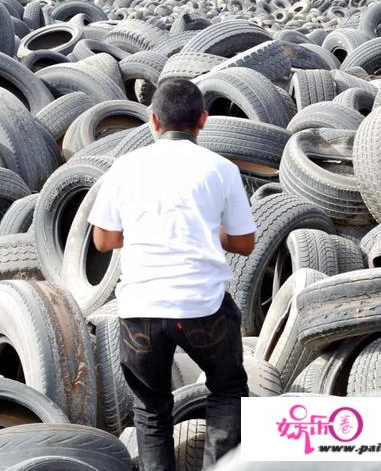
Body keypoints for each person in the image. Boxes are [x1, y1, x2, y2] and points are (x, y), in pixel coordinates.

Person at [87, 79, 257, 471]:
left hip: (141, 310)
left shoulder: (124, 167)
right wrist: (209, 231)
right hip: (203, 307)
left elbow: (103, 240)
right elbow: (245, 243)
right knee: (227, 390)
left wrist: (147, 230)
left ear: (153, 121)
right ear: (203, 120)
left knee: (151, 409)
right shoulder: (222, 169)